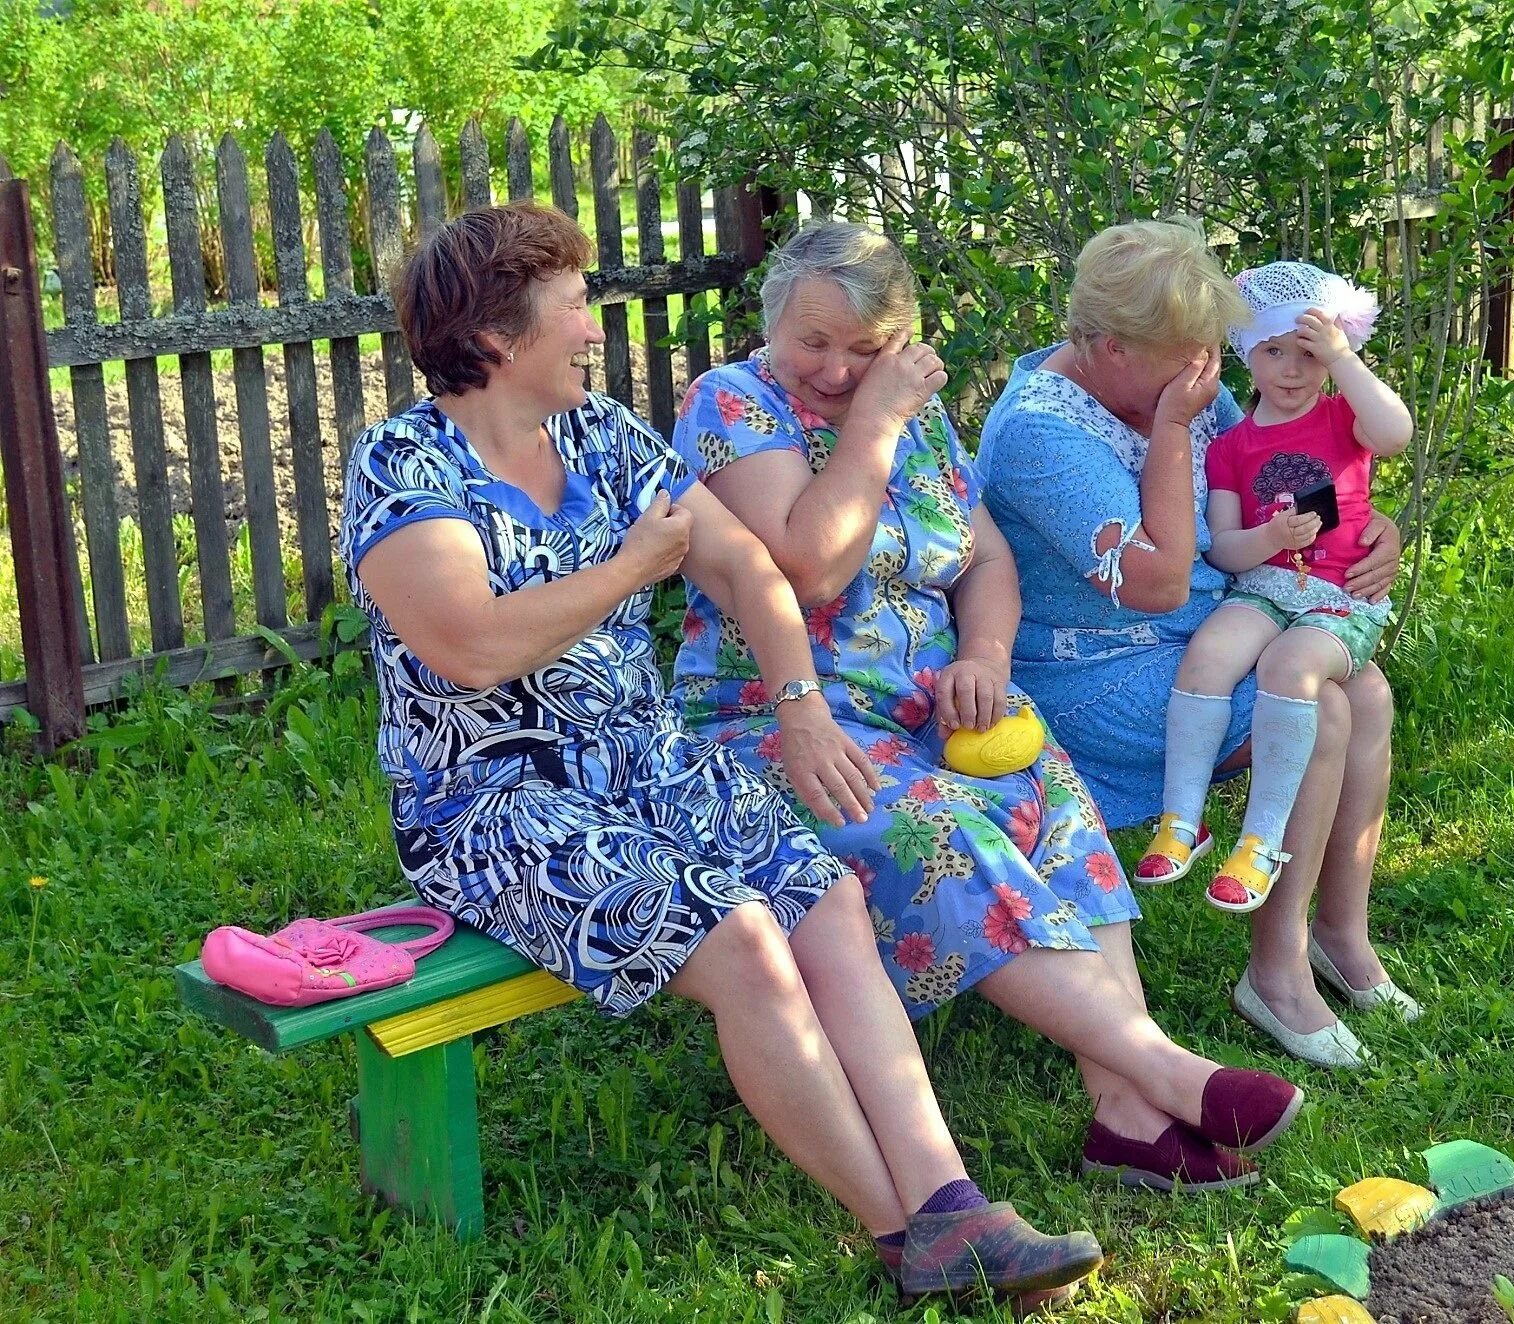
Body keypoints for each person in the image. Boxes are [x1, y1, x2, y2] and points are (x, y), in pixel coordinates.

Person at [337, 201, 1103, 1308]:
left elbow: (748, 568)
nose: (594, 329)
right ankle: (903, 1235)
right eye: (573, 308)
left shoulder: (594, 431)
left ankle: (951, 1200)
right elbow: (468, 648)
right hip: (494, 800)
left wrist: (798, 707)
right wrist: (627, 569)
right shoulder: (409, 466)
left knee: (821, 897)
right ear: (500, 340)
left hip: (642, 762)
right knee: (744, 935)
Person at [672, 219, 1306, 1194]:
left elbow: (984, 559)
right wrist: (876, 419)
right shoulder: (734, 405)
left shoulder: (914, 413)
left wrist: (983, 652)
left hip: (932, 703)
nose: (837, 370)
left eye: (865, 347)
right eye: (814, 343)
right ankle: (1167, 1073)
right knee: (944, 832)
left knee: (1050, 795)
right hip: (785, 722)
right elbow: (806, 565)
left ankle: (1126, 1111)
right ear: (772, 326)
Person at [976, 220, 1421, 1072]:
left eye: (1207, 356)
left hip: (1213, 627)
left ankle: (1338, 935)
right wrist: (1177, 430)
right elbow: (1162, 582)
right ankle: (1276, 972)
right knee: (1321, 706)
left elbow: (1278, 478)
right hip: (1096, 672)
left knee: (1368, 693)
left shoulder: (1168, 377)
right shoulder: (1042, 431)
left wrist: (1372, 530)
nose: (1202, 376)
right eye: (1182, 358)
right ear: (1108, 346)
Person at [1150, 260, 1412, 917]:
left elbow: (1396, 433)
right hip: (1265, 584)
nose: (1292, 371)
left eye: (1308, 355)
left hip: (1336, 597)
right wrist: (1271, 538)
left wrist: (1345, 360)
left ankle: (1261, 843)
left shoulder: (1341, 420)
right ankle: (1183, 821)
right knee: (1209, 654)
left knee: (1290, 667)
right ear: (1248, 354)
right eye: (1274, 352)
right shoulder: (1231, 446)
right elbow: (1225, 544)